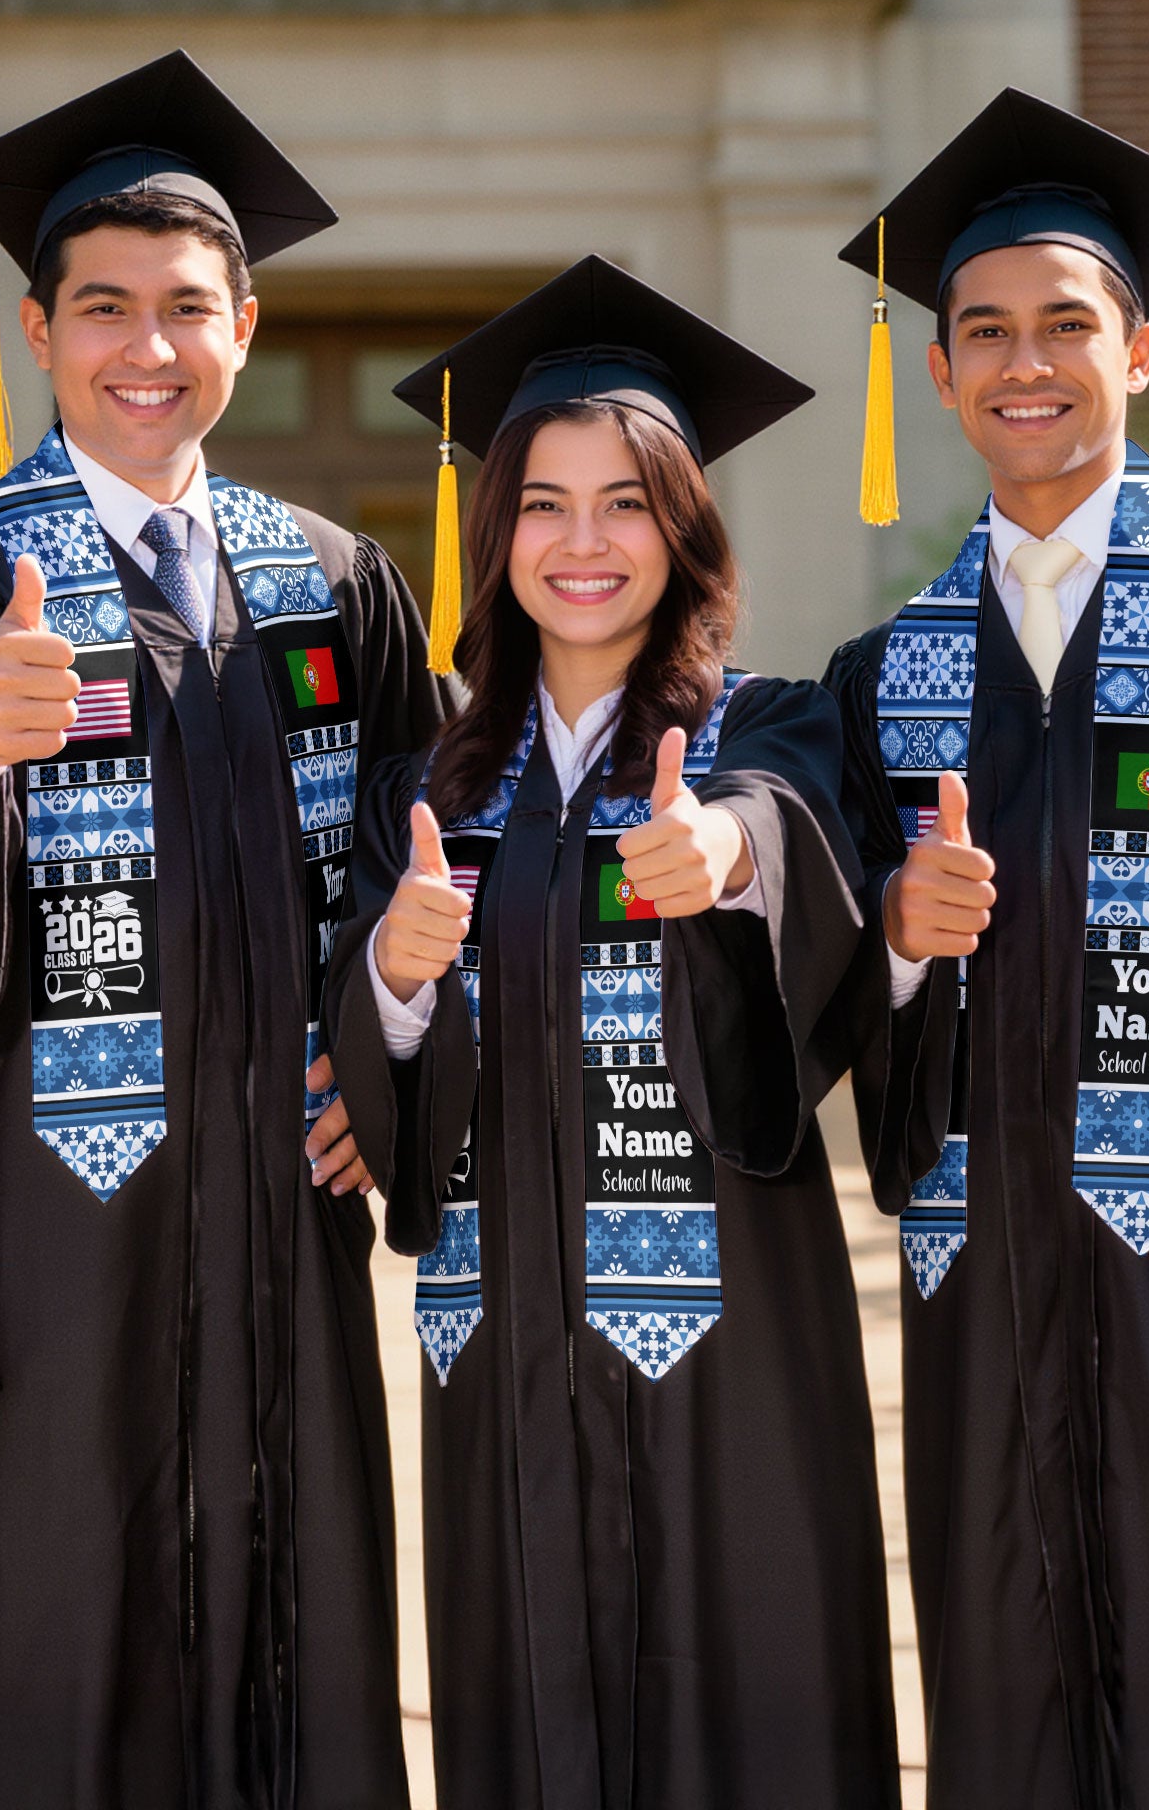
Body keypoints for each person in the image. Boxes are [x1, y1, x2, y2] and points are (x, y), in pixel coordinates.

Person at [0, 51, 448, 1809]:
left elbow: (436, 851)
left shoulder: (334, 576)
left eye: (188, 308)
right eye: (104, 309)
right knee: (62, 1643)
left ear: (245, 325)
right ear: (38, 332)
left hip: (284, 1210)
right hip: (59, 1226)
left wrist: (388, 1061)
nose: (147, 348)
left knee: (303, 1625)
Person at [324, 256, 899, 1808]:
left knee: (753, 1707)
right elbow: (381, 1075)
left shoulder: (767, 726)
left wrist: (724, 857)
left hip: (728, 1337)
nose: (585, 543)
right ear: (494, 530)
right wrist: (392, 969)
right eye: (544, 504)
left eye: (628, 502)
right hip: (501, 1334)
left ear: (686, 527)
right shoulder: (429, 791)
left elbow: (795, 841)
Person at [825, 89, 1149, 1809]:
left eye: (1065, 325)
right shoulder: (893, 669)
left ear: (1142, 349)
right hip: (990, 1283)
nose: (1022, 362)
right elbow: (828, 988)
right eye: (983, 332)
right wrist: (894, 941)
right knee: (1010, 1692)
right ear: (945, 372)